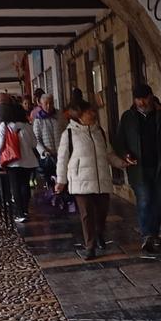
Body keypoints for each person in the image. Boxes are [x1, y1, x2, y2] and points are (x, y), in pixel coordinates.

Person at [114, 83, 161, 252]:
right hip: (139, 168)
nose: (141, 103)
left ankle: (154, 234)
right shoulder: (128, 117)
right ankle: (147, 235)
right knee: (144, 201)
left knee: (158, 202)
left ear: (151, 96)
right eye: (138, 99)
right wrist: (126, 154)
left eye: (144, 98)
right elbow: (119, 141)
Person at [55, 97, 121, 260]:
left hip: (101, 179)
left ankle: (99, 233)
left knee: (102, 212)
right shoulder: (69, 134)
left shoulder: (100, 132)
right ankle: (89, 246)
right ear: (80, 115)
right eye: (89, 111)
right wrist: (61, 180)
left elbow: (108, 154)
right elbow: (62, 159)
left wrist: (121, 163)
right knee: (86, 214)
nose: (93, 113)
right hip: (80, 180)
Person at [0, 96, 39, 223]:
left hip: (12, 162)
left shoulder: (5, 126)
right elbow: (34, 144)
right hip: (28, 161)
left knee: (15, 187)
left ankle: (19, 213)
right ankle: (25, 210)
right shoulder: (27, 126)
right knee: (25, 186)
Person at [32, 92, 62, 183]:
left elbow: (66, 131)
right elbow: (36, 138)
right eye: (46, 104)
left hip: (61, 153)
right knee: (51, 181)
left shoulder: (59, 115)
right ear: (41, 104)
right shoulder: (38, 120)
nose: (49, 106)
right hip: (48, 156)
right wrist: (43, 151)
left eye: (51, 103)